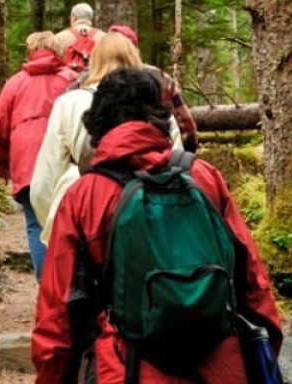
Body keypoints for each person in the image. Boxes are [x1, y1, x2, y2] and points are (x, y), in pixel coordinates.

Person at [33, 68, 283, 384]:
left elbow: (59, 319)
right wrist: (260, 360)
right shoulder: (205, 178)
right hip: (223, 383)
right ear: (163, 119)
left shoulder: (84, 197)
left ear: (96, 124)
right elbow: (254, 286)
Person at [29, 32, 183, 245]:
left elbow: (43, 183)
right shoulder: (156, 105)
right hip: (153, 209)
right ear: (135, 60)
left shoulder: (68, 103)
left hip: (83, 210)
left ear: (94, 62)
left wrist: (55, 221)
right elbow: (176, 163)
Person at [0, 32, 79, 280]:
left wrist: (2, 165)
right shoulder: (72, 80)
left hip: (26, 163)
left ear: (29, 52)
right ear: (57, 50)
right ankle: (69, 286)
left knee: (35, 225)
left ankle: (45, 288)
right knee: (70, 225)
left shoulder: (14, 84)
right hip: (65, 163)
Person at [105, 24, 199, 152]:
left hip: (108, 160)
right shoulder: (159, 77)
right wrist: (186, 157)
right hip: (157, 159)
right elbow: (187, 126)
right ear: (135, 50)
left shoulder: (90, 79)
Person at [56, 3, 105, 71]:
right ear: (90, 18)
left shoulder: (59, 37)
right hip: (97, 79)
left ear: (74, 17)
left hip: (69, 80)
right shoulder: (104, 37)